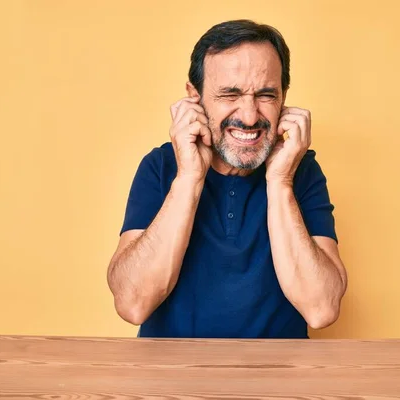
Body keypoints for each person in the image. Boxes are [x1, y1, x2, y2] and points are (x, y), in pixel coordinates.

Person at [107, 19, 347, 338]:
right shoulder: (161, 166)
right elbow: (133, 303)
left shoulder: (300, 170)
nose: (249, 116)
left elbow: (321, 309)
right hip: (171, 381)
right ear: (195, 97)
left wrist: (280, 183)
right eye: (229, 94)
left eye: (265, 95)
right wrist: (189, 179)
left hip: (277, 382)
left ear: (284, 97)